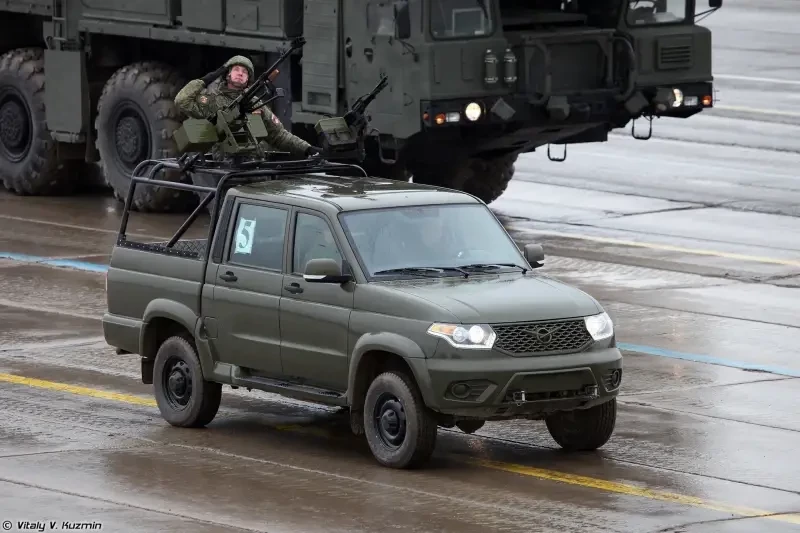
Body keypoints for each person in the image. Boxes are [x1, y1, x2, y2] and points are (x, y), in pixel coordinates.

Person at [174, 55, 319, 158]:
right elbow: (182, 101)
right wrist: (207, 79)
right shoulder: (212, 100)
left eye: (245, 72)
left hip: (255, 168)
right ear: (227, 74)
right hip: (226, 169)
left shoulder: (256, 104)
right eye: (236, 69)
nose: (240, 73)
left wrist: (307, 149)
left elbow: (279, 136)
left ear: (248, 79)